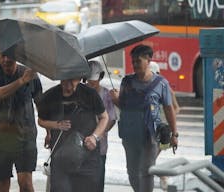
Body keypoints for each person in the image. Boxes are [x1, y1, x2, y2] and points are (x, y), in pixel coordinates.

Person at [110, 44, 178, 192]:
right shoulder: (126, 82)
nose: (134, 65)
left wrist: (175, 134)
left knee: (147, 170)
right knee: (132, 171)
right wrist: (115, 99)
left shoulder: (161, 84)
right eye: (133, 61)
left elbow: (169, 109)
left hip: (150, 136)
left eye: (138, 61)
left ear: (148, 60)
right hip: (130, 135)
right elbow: (124, 106)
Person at [0, 41, 42, 192]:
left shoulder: (31, 75)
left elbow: (40, 103)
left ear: (17, 56)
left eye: (10, 55)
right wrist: (21, 81)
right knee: (2, 185)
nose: (6, 59)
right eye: (2, 55)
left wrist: (50, 131)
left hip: (25, 136)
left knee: (26, 184)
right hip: (1, 135)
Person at [37, 77, 109, 192]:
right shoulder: (50, 96)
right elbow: (41, 120)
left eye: (73, 79)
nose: (69, 84)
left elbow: (104, 117)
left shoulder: (89, 94)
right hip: (61, 158)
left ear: (80, 77)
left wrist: (94, 137)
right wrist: (56, 125)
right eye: (65, 79)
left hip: (87, 156)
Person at [85, 60, 117, 192]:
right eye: (89, 81)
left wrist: (100, 133)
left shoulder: (106, 95)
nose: (91, 84)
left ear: (101, 77)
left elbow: (112, 118)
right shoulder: (82, 92)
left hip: (100, 146)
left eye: (94, 81)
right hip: (82, 143)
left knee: (97, 182)